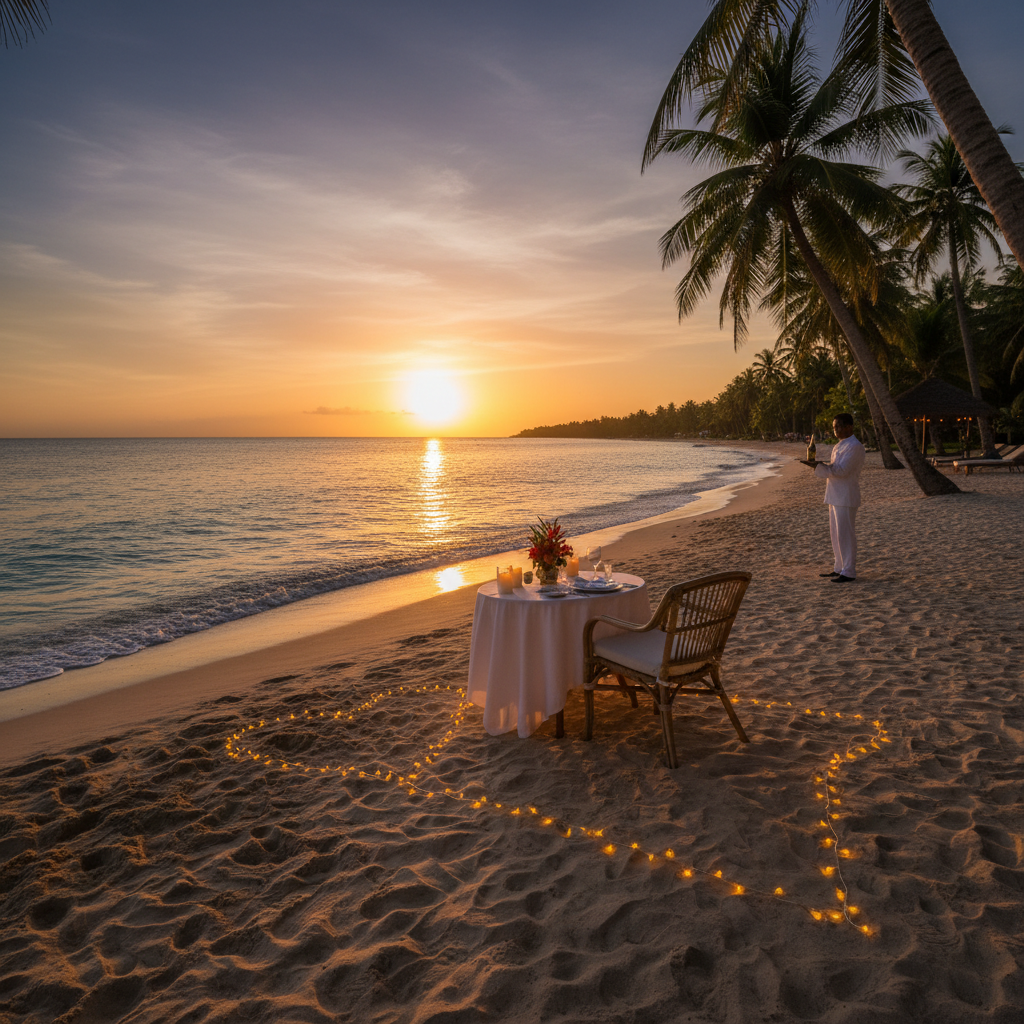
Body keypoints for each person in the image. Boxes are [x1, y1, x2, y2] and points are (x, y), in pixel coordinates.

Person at [802, 413, 866, 583]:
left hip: (846, 494)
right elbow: (834, 469)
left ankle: (849, 571)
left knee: (846, 534)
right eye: (834, 427)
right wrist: (819, 466)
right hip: (834, 493)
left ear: (849, 426)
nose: (835, 430)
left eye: (838, 426)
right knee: (836, 534)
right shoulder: (838, 446)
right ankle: (839, 567)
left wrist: (818, 466)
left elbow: (842, 471)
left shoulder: (855, 446)